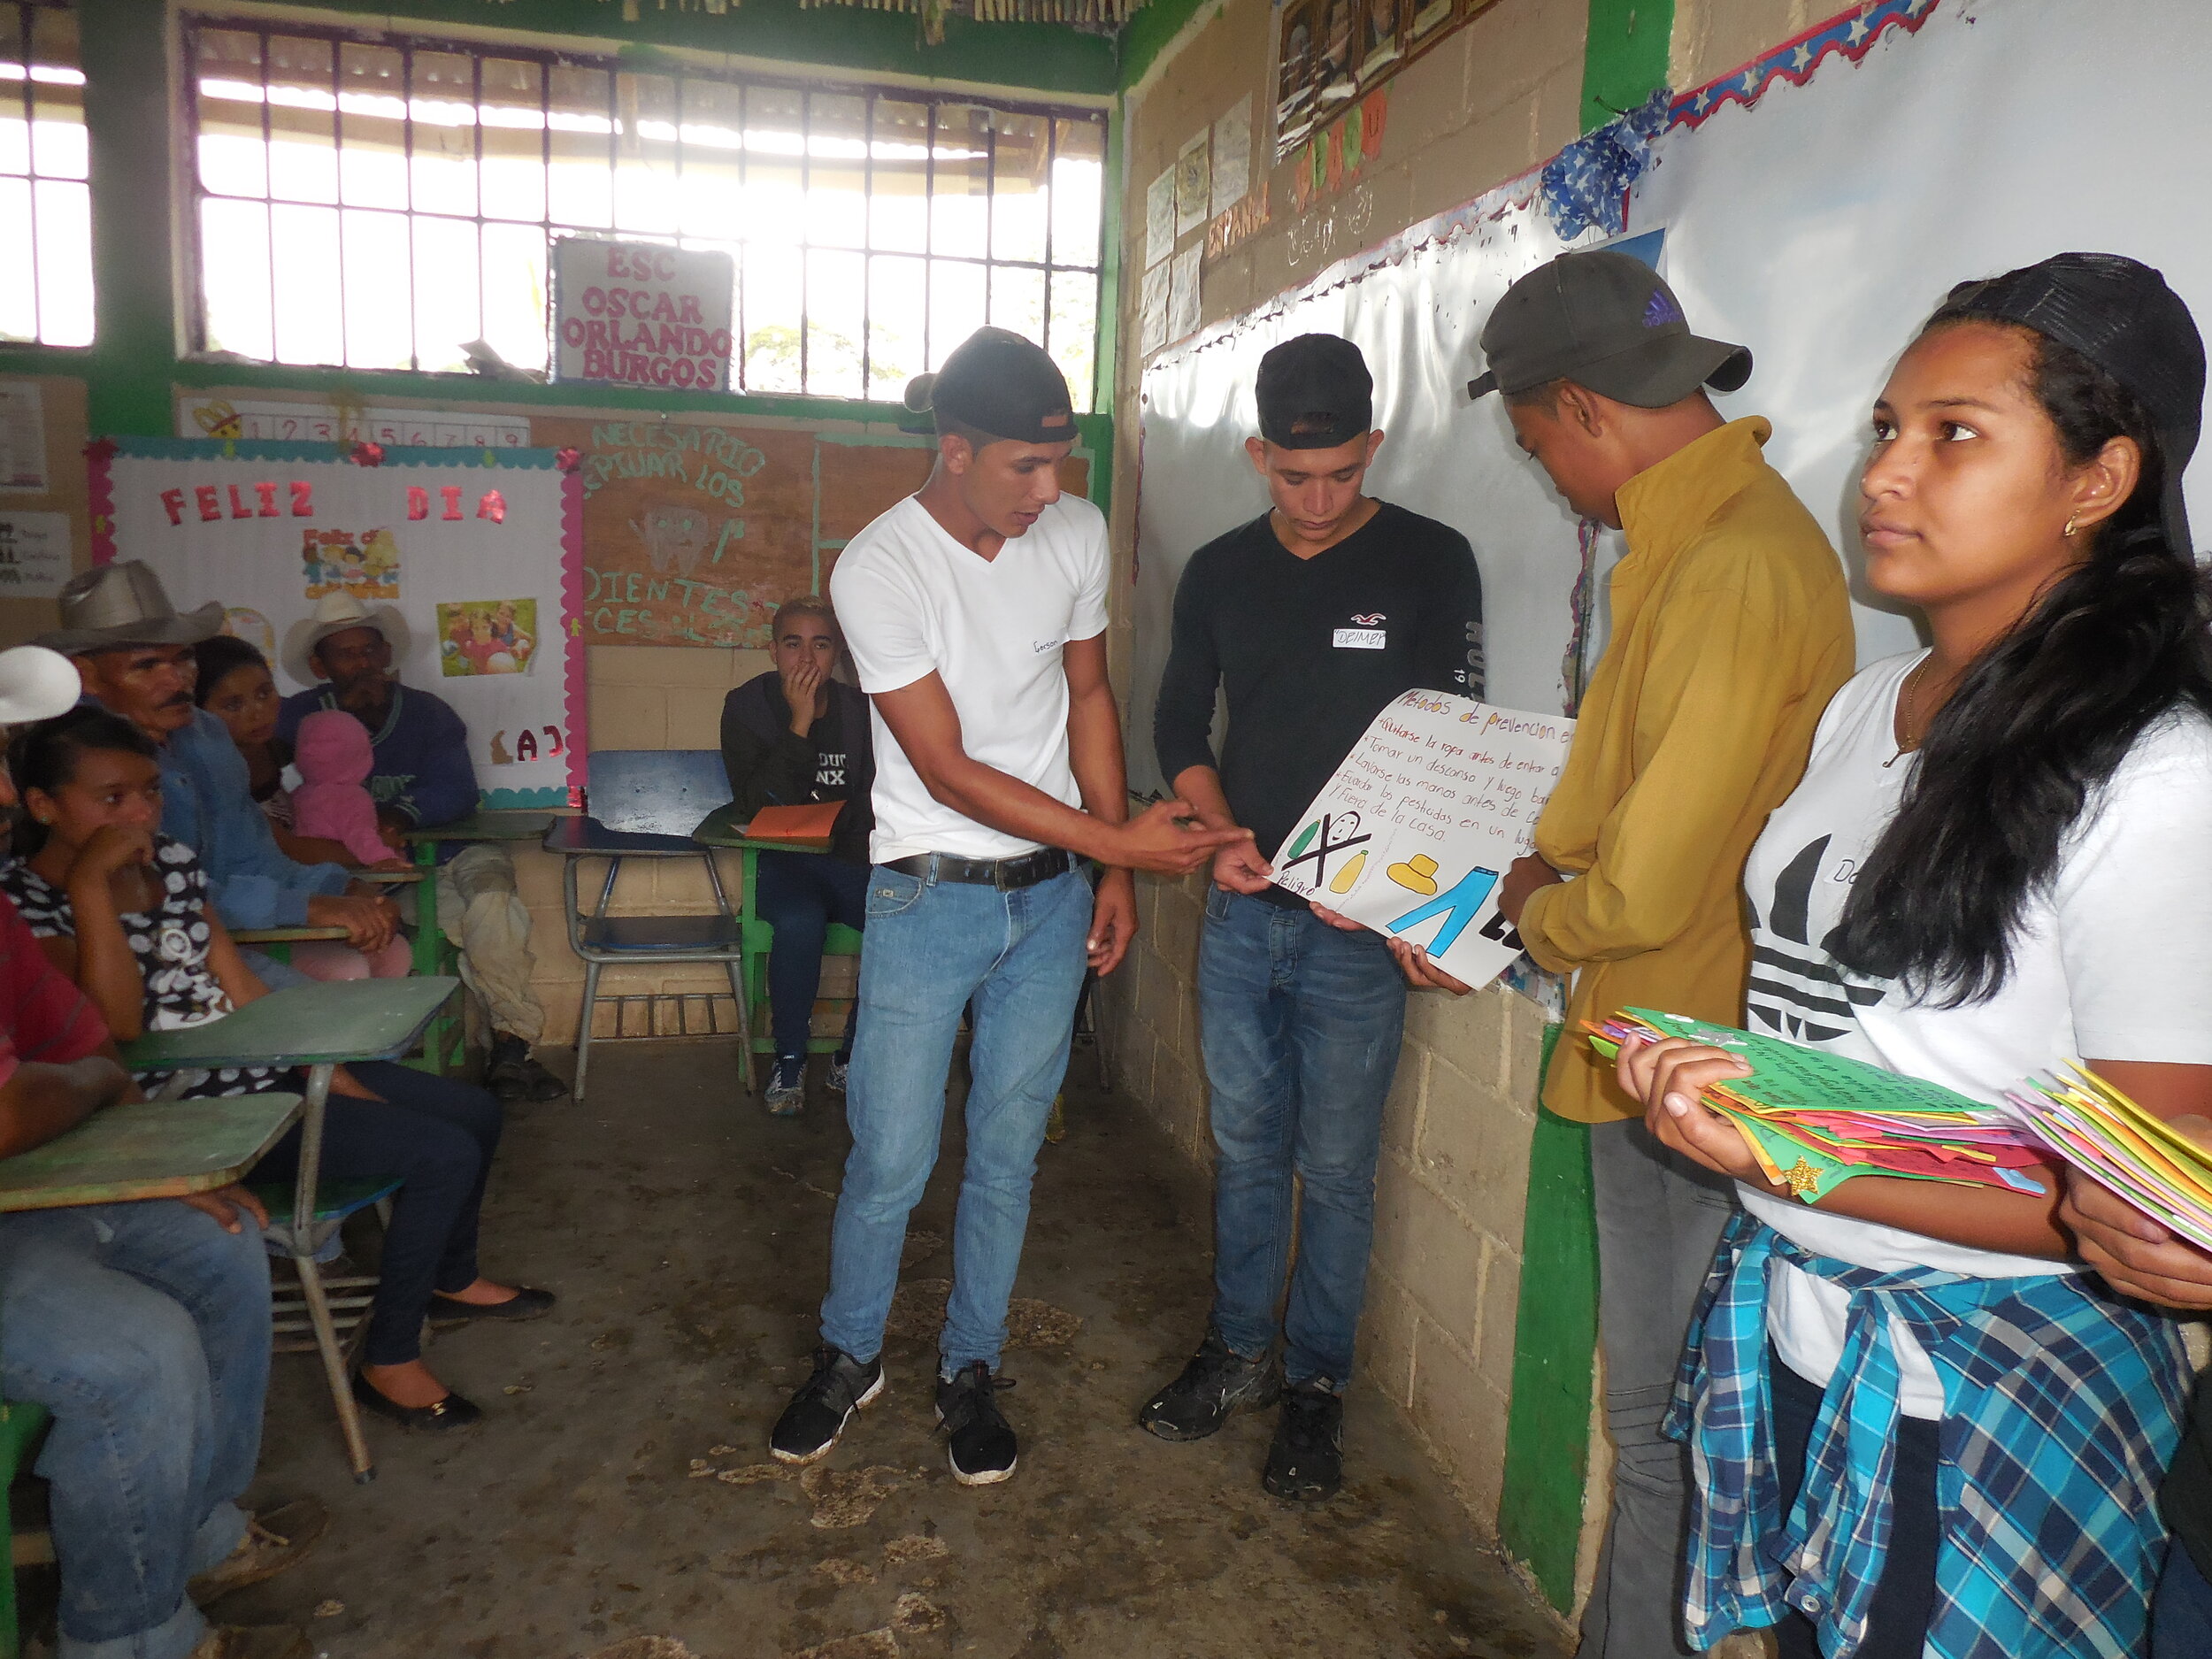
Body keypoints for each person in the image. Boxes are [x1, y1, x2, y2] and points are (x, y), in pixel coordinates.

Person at [1616, 252, 2210, 1657]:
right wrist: (1734, 1094)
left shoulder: (2158, 769)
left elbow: (2151, 1197)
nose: (1887, 473)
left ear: (2098, 474)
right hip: (1809, 1323)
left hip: (1994, 1374)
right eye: (1888, 427)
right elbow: (1850, 1024)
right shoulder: (1869, 704)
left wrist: (1788, 1153)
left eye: (1956, 434)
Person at [1432, 250, 1853, 1658]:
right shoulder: (1694, 539)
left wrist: (1530, 907)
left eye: (1536, 437)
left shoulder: (1731, 561)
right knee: (1660, 1423)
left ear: (1581, 410)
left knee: (1664, 1431)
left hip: (1692, 1062)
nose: (1546, 467)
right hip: (1657, 1038)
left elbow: (1648, 880)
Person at [768, 327, 1245, 1485]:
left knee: (1008, 1152)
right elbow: (942, 767)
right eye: (1024, 468)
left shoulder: (1073, 534)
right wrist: (1118, 835)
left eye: (1061, 465)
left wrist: (1113, 870)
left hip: (1050, 906)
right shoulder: (878, 568)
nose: (1051, 492)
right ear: (956, 447)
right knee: (890, 1152)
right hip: (928, 897)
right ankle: (849, 1354)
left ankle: (969, 1364)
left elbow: (1086, 692)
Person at [1139, 334, 1485, 1502]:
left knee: (1336, 1171)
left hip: (1356, 936)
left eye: (1342, 472)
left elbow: (1455, 738)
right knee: (1247, 1153)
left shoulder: (1434, 561)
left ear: (1373, 447)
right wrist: (1221, 828)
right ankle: (1235, 1350)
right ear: (1257, 455)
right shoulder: (1221, 570)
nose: (1320, 500)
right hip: (1245, 914)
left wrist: (1410, 904)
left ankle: (1316, 1387)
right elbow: (1181, 725)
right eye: (1295, 477)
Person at [3, 705, 555, 1429]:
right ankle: (389, 1362)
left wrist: (328, 1066)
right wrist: (90, 889)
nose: (139, 813)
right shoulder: (25, 903)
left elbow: (243, 988)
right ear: (42, 805)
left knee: (472, 1111)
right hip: (176, 1110)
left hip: (259, 1069)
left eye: (150, 791)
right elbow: (116, 1026)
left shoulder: (169, 861)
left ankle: (449, 1277)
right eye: (112, 799)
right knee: (439, 1153)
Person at [0, 644, 326, 1659]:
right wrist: (87, 1086)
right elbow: (38, 1096)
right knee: (138, 1354)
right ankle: (130, 1639)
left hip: (28, 1196)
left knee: (221, 1247)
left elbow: (87, 1041)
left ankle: (192, 1534)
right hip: (22, 1193)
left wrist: (142, 1163)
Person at [42, 563, 400, 991]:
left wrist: (345, 887)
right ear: (88, 676)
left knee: (385, 951)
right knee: (319, 1002)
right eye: (146, 666)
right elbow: (165, 891)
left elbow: (255, 855)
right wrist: (304, 906)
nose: (176, 681)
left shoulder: (206, 732)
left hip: (234, 933)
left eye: (183, 659)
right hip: (150, 951)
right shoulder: (85, 758)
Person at [274, 591, 565, 1104]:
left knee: (494, 900)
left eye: (370, 651)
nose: (362, 664)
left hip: (457, 851)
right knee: (471, 919)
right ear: (321, 664)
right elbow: (263, 791)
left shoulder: (429, 713)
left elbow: (458, 789)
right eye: (346, 654)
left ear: (387, 655)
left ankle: (513, 1045)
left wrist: (397, 814)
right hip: (377, 874)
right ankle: (509, 1044)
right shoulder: (295, 718)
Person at [719, 595, 874, 1116]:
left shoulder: (861, 710)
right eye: (793, 644)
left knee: (900, 919)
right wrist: (800, 723)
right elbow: (758, 804)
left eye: (821, 644)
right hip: (781, 860)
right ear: (772, 651)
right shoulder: (746, 706)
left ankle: (851, 1054)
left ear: (836, 654)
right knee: (801, 922)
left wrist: (837, 833)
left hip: (848, 858)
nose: (806, 660)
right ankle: (789, 1060)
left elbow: (874, 799)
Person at [192, 634, 411, 981]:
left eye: (265, 694)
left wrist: (350, 889)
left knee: (392, 950)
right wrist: (362, 857)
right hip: (232, 931)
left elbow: (273, 862)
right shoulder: (188, 780)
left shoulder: (257, 759)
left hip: (281, 905)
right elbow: (285, 850)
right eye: (233, 705)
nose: (258, 711)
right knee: (348, 967)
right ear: (196, 713)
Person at [290, 710, 400, 869]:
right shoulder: (352, 798)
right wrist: (383, 858)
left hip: (303, 876)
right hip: (344, 877)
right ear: (360, 750)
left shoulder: (297, 795)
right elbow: (360, 835)